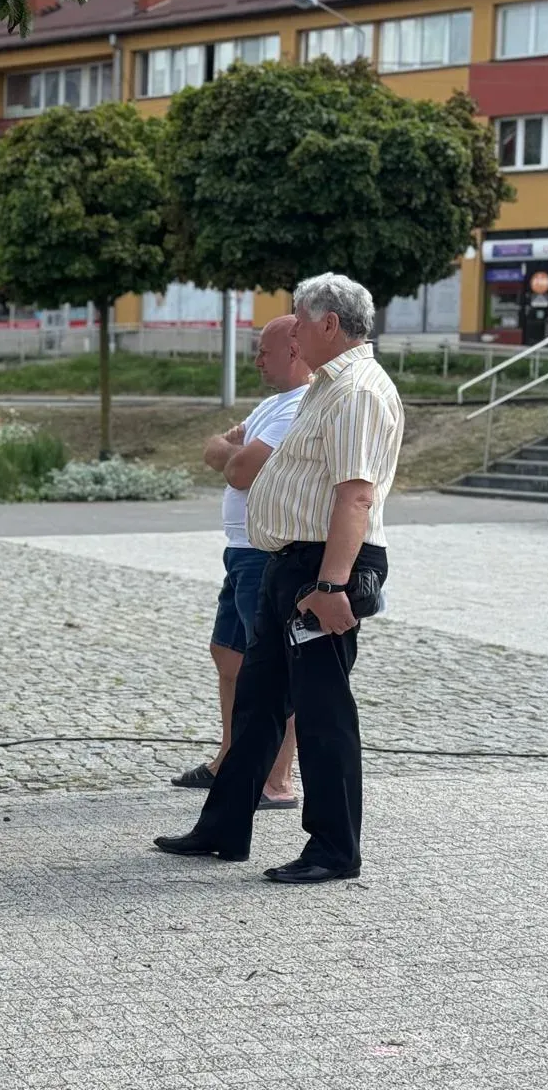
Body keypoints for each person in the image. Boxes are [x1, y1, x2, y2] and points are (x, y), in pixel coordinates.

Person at [155, 273, 402, 885]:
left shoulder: (357, 392)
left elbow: (356, 497)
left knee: (322, 712)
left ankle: (334, 848)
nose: (290, 329)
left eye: (298, 317)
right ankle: (224, 826)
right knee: (258, 702)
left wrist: (332, 587)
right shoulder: (326, 386)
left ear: (328, 325)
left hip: (323, 569)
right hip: (289, 563)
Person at [172, 315, 309, 808]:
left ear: (292, 351)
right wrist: (228, 451)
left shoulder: (299, 406)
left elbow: (239, 470)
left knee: (270, 665)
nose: (255, 361)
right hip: (240, 550)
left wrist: (231, 451)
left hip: (265, 551)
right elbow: (216, 453)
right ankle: (231, 758)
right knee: (227, 654)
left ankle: (276, 779)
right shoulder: (272, 404)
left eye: (263, 352)